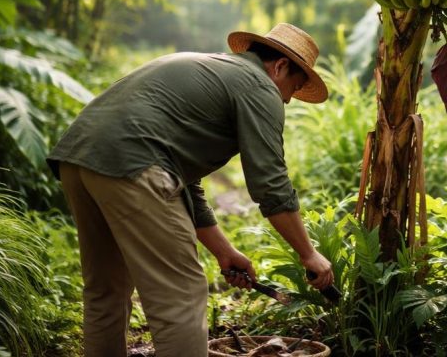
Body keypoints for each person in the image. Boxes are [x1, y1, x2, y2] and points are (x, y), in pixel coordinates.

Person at [48, 23, 335, 357]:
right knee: (181, 296)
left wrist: (223, 251)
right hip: (134, 162)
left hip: (78, 158)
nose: (286, 100)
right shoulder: (260, 86)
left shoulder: (210, 70)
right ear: (280, 66)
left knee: (105, 291)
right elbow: (270, 183)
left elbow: (184, 181)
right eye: (293, 88)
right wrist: (308, 253)